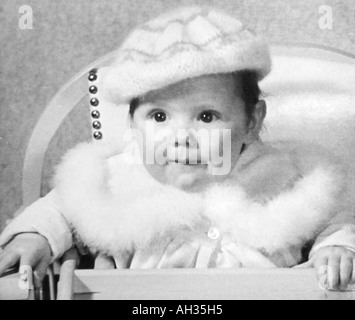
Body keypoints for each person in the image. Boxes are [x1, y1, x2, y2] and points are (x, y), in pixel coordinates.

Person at [0, 6, 354, 291]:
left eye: (206, 116)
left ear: (252, 121)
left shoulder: (284, 175)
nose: (181, 137)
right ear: (132, 124)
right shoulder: (118, 177)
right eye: (158, 116)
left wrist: (334, 249)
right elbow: (64, 207)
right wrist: (36, 235)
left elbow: (333, 221)